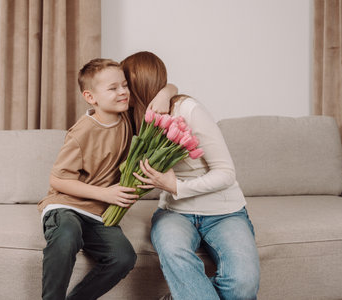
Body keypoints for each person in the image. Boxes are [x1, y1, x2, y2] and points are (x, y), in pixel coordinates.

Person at [122, 51, 260, 300]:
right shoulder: (133, 119)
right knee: (175, 254)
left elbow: (226, 173)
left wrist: (177, 186)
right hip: (175, 213)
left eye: (124, 86)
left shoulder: (188, 109)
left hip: (225, 212)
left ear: (137, 87)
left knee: (242, 285)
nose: (121, 92)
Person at [38, 58, 175, 300]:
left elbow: (172, 88)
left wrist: (166, 93)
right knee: (67, 235)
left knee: (123, 257)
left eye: (124, 85)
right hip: (66, 206)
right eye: (113, 89)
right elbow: (58, 180)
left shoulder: (128, 118)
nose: (123, 92)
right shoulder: (82, 132)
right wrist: (105, 194)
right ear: (91, 97)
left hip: (97, 214)